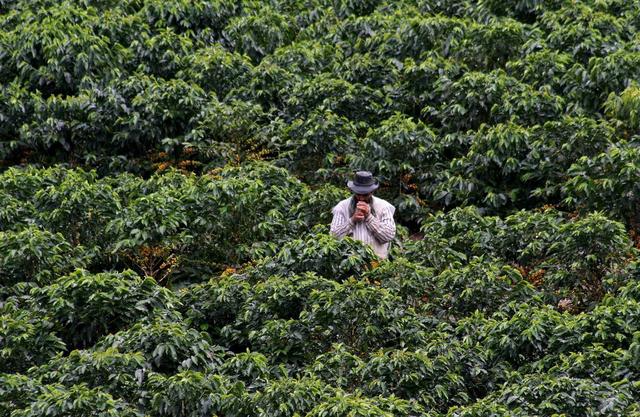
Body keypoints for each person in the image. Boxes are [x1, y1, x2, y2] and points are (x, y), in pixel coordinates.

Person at [330, 171, 396, 259]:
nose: (361, 198)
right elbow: (334, 236)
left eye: (365, 195)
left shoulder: (383, 206)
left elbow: (388, 236)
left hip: (377, 263)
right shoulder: (342, 207)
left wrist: (369, 217)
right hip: (350, 264)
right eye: (358, 194)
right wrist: (352, 220)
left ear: (372, 192)